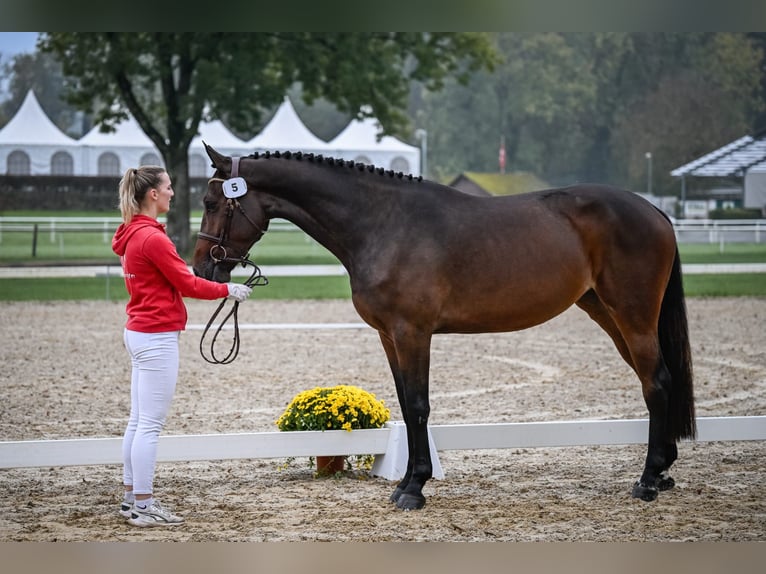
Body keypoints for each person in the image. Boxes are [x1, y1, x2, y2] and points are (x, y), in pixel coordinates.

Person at [112, 166, 252, 528]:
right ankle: (143, 503)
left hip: (139, 330)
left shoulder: (131, 234)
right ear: (153, 195)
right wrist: (228, 289)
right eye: (168, 187)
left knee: (138, 422)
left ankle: (132, 498)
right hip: (156, 335)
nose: (173, 193)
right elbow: (188, 284)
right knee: (149, 426)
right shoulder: (153, 239)